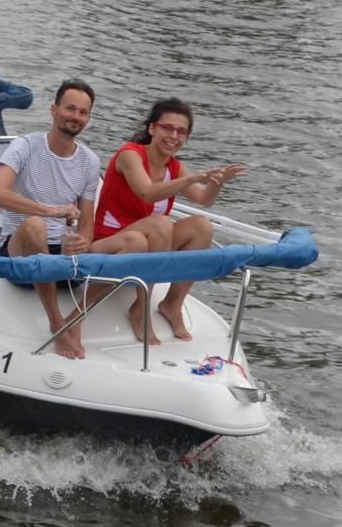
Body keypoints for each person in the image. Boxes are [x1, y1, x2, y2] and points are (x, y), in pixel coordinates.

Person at [0, 79, 149, 360]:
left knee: (137, 241)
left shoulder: (88, 160)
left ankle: (78, 317)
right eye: (70, 108)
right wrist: (49, 211)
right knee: (36, 225)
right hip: (22, 253)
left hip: (63, 258)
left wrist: (82, 242)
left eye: (83, 112)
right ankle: (56, 323)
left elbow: (87, 223)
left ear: (88, 119)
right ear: (53, 109)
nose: (75, 116)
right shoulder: (25, 146)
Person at [93, 98, 245, 344]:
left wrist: (216, 183)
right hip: (110, 241)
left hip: (149, 242)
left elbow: (203, 199)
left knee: (201, 226)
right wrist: (191, 178)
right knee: (161, 223)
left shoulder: (175, 167)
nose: (174, 136)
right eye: (168, 128)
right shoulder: (130, 154)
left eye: (181, 131)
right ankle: (140, 308)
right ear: (152, 128)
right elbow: (147, 192)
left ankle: (172, 304)